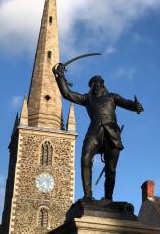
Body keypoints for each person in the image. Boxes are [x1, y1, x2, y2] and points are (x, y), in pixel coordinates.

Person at [52, 64, 144, 202]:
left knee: (111, 170)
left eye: (98, 83)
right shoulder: (88, 99)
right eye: (93, 83)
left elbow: (127, 103)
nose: (96, 85)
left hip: (111, 133)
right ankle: (88, 195)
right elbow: (67, 94)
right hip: (94, 133)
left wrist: (136, 106)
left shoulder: (113, 97)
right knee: (85, 160)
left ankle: (108, 198)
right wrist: (60, 76)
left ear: (103, 85)